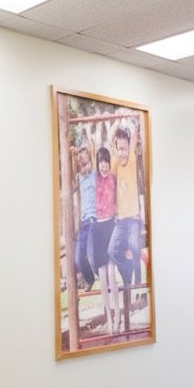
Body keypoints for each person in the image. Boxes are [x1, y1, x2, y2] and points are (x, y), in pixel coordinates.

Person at [107, 126, 142, 294]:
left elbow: (134, 135)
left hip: (134, 218)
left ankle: (138, 277)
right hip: (120, 220)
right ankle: (127, 271)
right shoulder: (114, 163)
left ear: (130, 149)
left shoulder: (133, 160)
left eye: (125, 149)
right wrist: (117, 122)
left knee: (134, 245)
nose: (122, 153)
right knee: (112, 250)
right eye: (119, 149)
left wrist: (126, 117)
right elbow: (109, 139)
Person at [91, 146, 118, 334]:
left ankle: (118, 316)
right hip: (97, 228)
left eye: (106, 162)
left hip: (110, 226)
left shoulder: (113, 179)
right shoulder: (95, 180)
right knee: (102, 279)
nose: (104, 166)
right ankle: (109, 317)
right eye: (101, 162)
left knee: (111, 277)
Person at [72, 141, 97, 291]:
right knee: (77, 258)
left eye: (86, 160)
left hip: (94, 220)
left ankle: (100, 274)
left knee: (91, 254)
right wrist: (74, 153)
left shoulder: (95, 174)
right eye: (81, 162)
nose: (84, 165)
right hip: (84, 222)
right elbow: (73, 170)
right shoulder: (79, 178)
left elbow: (93, 152)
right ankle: (90, 279)